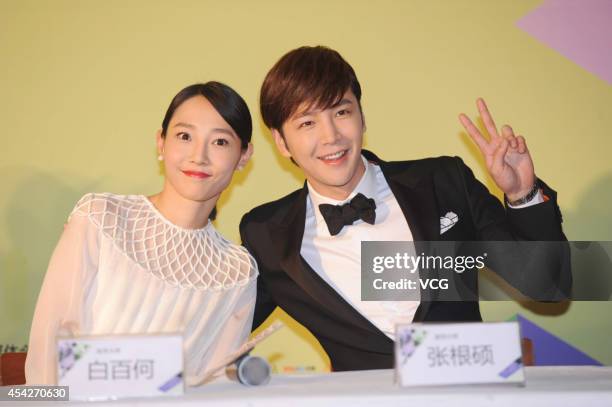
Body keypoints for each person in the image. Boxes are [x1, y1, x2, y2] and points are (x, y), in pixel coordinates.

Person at [240, 46, 571, 371]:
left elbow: (547, 288)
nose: (331, 136)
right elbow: (218, 332)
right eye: (307, 123)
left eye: (342, 112)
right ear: (281, 142)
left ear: (362, 117)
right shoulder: (268, 234)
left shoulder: (443, 182)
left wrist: (522, 194)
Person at [26, 82, 257, 385]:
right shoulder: (100, 218)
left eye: (220, 142)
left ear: (243, 155)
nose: (198, 156)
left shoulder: (237, 272)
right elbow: (46, 350)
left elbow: (218, 386)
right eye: (184, 136)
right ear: (161, 143)